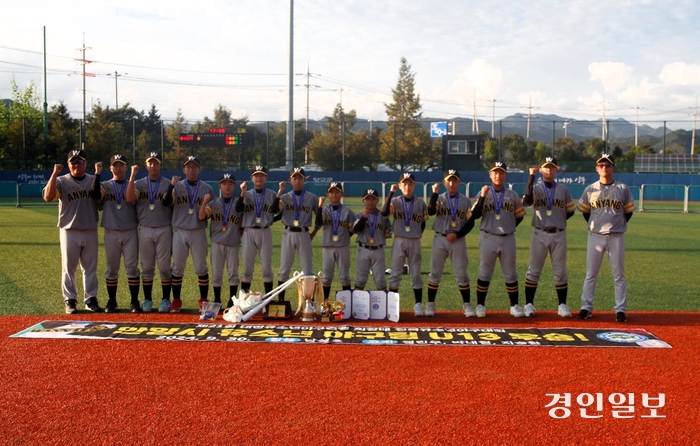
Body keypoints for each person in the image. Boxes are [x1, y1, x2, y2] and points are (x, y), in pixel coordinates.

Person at [42, 149, 103, 314]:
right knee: (69, 268)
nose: (77, 164)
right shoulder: (61, 181)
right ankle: (70, 300)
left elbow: (100, 202)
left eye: (80, 161)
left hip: (90, 228)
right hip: (69, 230)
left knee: (90, 268)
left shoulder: (93, 180)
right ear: (68, 164)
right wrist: (54, 173)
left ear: (85, 164)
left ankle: (90, 298)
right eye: (73, 161)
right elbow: (48, 197)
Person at [577, 154, 636, 322]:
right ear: (596, 168)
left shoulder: (622, 188)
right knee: (591, 274)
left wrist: (617, 225)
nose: (604, 168)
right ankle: (586, 307)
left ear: (613, 168)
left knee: (619, 274)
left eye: (608, 165)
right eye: (601, 165)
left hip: (616, 236)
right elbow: (586, 212)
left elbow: (628, 212)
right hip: (595, 236)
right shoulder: (590, 189)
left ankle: (620, 310)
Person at [470, 161, 526, 318]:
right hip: (488, 236)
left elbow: (519, 216)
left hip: (507, 237)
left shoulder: (512, 195)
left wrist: (508, 225)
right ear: (490, 174)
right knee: (485, 272)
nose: (498, 175)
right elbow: (475, 215)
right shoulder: (483, 193)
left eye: (501, 172)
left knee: (510, 273)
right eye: (495, 172)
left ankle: (514, 305)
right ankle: (480, 305)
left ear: (505, 175)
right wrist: (481, 196)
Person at [522, 157, 576, 318]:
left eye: (552, 167)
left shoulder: (563, 189)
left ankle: (562, 305)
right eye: (546, 167)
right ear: (541, 169)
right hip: (540, 232)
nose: (549, 170)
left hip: (559, 233)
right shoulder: (536, 188)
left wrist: (557, 220)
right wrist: (531, 177)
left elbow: (570, 211)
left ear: (556, 169)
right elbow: (527, 201)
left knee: (560, 271)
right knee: (534, 270)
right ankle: (529, 305)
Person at [125, 152, 173, 313]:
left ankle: (166, 299)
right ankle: (147, 300)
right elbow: (130, 199)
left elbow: (171, 203)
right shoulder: (139, 183)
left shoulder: (167, 184)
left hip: (164, 227)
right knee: (147, 267)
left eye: (156, 163)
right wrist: (132, 176)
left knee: (165, 266)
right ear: (146, 165)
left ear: (160, 165)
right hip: (145, 228)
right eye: (150, 163)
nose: (153, 166)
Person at [168, 155, 214, 312]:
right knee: (177, 268)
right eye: (188, 167)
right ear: (183, 169)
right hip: (179, 230)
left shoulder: (207, 188)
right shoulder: (177, 186)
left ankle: (203, 300)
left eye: (194, 167)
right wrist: (170, 186)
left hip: (198, 230)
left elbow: (212, 211)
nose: (191, 169)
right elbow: (166, 202)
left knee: (201, 267)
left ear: (199, 169)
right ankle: (176, 300)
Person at [427, 169, 475, 317]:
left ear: (459, 183)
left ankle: (467, 305)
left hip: (458, 240)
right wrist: (434, 194)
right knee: (435, 273)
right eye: (449, 180)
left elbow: (471, 222)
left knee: (461, 273)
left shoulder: (465, 200)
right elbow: (430, 212)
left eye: (454, 180)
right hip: (440, 238)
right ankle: (430, 304)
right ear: (444, 182)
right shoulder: (439, 198)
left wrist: (458, 234)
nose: (452, 183)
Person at [381, 172, 428, 316]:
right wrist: (390, 192)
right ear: (400, 185)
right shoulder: (395, 201)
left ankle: (418, 305)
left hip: (414, 240)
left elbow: (423, 223)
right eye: (404, 183)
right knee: (395, 273)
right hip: (399, 239)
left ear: (414, 186)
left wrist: (416, 233)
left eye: (410, 184)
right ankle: (392, 306)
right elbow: (384, 213)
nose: (407, 186)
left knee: (416, 274)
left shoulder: (420, 203)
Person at [100, 154, 141, 313]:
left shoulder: (133, 184)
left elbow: (130, 199)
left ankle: (134, 301)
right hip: (111, 231)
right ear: (110, 168)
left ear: (126, 167)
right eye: (115, 165)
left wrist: (131, 177)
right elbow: (97, 200)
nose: (118, 168)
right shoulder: (105, 185)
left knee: (132, 267)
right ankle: (112, 301)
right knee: (112, 268)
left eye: (121, 165)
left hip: (130, 231)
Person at [235, 166, 282, 295]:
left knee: (267, 267)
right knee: (247, 268)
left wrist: (272, 220)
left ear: (266, 178)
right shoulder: (247, 194)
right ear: (252, 178)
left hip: (264, 231)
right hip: (248, 231)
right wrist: (242, 193)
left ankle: (268, 301)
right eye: (256, 175)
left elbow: (279, 211)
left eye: (262, 175)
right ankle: (243, 300)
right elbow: (238, 209)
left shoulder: (272, 195)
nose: (259, 178)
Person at [199, 173, 243, 308]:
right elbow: (201, 217)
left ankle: (232, 300)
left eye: (230, 184)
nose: (227, 186)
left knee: (233, 273)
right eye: (224, 184)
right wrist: (204, 203)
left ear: (234, 186)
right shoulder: (213, 203)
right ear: (220, 186)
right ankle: (217, 299)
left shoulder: (239, 204)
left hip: (233, 243)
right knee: (217, 273)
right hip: (217, 243)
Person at [276, 167, 320, 300]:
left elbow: (319, 219)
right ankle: (281, 301)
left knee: (308, 268)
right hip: (288, 232)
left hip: (304, 233)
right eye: (294, 178)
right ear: (290, 180)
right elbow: (275, 211)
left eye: (300, 177)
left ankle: (309, 303)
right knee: (284, 268)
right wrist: (279, 192)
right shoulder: (284, 197)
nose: (297, 180)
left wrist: (314, 232)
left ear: (304, 180)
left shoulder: (312, 198)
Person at [315, 182, 354, 300]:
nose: (334, 195)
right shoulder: (324, 210)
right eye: (331, 192)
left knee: (345, 276)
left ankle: (346, 305)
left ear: (342, 194)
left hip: (343, 247)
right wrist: (320, 206)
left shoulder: (348, 211)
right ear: (327, 194)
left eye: (337, 192)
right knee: (327, 277)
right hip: (327, 247)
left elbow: (352, 230)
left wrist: (344, 237)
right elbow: (318, 223)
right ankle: (324, 304)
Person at [353, 188, 391, 291]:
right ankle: (357, 305)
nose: (370, 201)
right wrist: (364, 218)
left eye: (373, 199)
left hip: (378, 249)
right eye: (367, 199)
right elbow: (356, 230)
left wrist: (386, 232)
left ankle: (383, 305)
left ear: (377, 200)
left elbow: (389, 231)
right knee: (360, 279)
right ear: (363, 201)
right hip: (363, 249)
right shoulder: (359, 215)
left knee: (380, 280)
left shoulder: (382, 216)